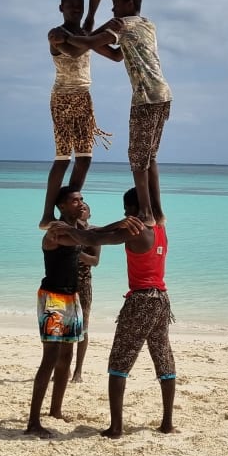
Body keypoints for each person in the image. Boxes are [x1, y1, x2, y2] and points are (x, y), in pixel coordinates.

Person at [47, 188, 177, 439]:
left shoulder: (137, 229)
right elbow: (152, 188)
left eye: (126, 210)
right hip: (162, 300)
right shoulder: (160, 226)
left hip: (141, 300)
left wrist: (68, 232)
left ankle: (116, 428)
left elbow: (97, 239)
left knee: (119, 363)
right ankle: (167, 424)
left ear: (131, 210)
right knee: (163, 359)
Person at [27, 187, 130, 438]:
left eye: (82, 199)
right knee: (50, 358)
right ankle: (33, 422)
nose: (80, 203)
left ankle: (55, 410)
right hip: (53, 298)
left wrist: (122, 224)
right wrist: (118, 225)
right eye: (75, 200)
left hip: (72, 296)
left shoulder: (77, 229)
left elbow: (94, 234)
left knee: (67, 357)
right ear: (61, 205)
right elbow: (94, 238)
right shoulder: (56, 230)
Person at [64, 0, 171, 227]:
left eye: (116, 5)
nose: (112, 10)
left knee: (137, 158)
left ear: (130, 5)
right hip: (163, 95)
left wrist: (68, 37)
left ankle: (146, 213)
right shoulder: (147, 25)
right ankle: (158, 212)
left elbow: (92, 40)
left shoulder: (125, 26)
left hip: (146, 98)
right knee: (150, 157)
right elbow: (115, 55)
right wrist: (93, 38)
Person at [39, 0, 115, 229]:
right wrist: (104, 31)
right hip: (62, 98)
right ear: (60, 8)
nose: (75, 8)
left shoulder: (85, 32)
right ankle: (47, 214)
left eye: (78, 5)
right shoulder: (56, 34)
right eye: (70, 5)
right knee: (62, 158)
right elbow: (76, 50)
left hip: (84, 97)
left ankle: (70, 208)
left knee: (84, 159)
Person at [71, 201, 101, 382]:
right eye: (79, 207)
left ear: (89, 215)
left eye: (85, 208)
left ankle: (78, 371)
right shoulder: (67, 231)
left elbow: (95, 261)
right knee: (62, 329)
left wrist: (76, 252)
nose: (81, 209)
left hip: (83, 285)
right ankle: (63, 368)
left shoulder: (94, 234)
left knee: (83, 329)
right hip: (64, 284)